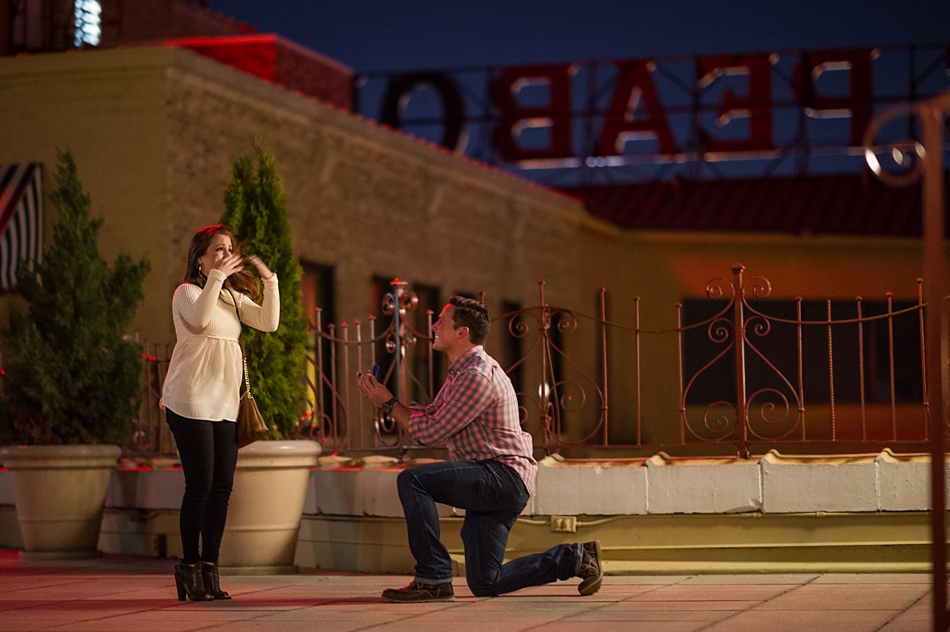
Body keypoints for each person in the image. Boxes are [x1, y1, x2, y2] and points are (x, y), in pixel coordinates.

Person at [356, 296, 602, 602]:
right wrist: (387, 399)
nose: (434, 325)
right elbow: (431, 416)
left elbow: (431, 431)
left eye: (442, 322)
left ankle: (432, 575)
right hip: (495, 480)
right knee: (486, 581)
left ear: (463, 332)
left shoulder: (477, 376)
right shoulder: (461, 373)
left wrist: (389, 404)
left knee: (412, 479)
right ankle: (576, 558)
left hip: (501, 476)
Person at [161, 225, 279, 602]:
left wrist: (269, 278)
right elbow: (198, 320)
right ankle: (189, 567)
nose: (226, 255)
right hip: (190, 400)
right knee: (200, 486)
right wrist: (216, 276)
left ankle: (211, 569)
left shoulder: (230, 295)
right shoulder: (188, 293)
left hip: (226, 403)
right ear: (200, 257)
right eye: (217, 250)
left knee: (222, 489)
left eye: (229, 249)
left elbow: (268, 323)